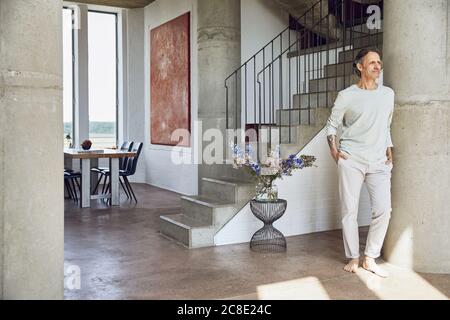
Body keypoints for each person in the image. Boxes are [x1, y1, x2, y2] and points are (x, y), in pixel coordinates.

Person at [325, 48, 394, 278]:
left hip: (379, 161)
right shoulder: (347, 95)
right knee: (349, 211)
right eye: (372, 62)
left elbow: (385, 125)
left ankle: (370, 257)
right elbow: (332, 125)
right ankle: (354, 256)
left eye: (379, 62)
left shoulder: (388, 95)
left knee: (384, 209)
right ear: (360, 66)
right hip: (351, 159)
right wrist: (334, 151)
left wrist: (389, 148)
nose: (377, 66)